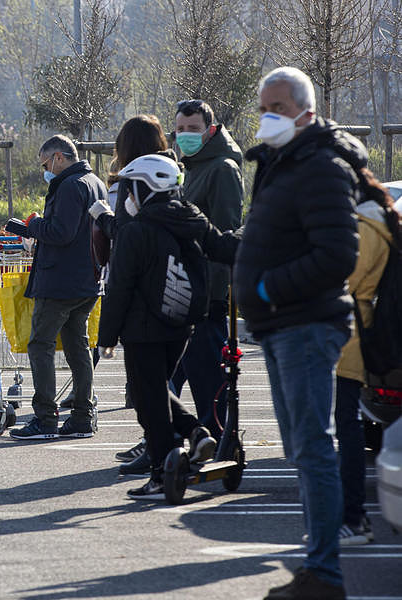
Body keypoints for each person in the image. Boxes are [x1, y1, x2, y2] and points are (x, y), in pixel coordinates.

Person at [235, 66, 361, 600]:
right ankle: (315, 569)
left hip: (305, 325)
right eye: (264, 107)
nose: (268, 117)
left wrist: (267, 289)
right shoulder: (282, 164)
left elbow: (338, 254)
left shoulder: (320, 167)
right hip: (280, 325)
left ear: (306, 113)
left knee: (312, 447)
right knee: (301, 449)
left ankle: (324, 573)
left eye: (279, 108)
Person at [96, 153, 241, 500]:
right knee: (154, 391)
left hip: (142, 330)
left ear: (145, 189)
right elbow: (223, 247)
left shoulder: (135, 231)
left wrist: (106, 337)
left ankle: (163, 471)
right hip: (181, 327)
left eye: (132, 188)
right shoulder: (192, 219)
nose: (128, 196)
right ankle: (196, 433)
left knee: (149, 404)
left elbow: (119, 288)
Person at [4, 135, 102, 439]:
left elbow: (61, 232)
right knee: (78, 346)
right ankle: (82, 417)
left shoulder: (70, 185)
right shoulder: (94, 182)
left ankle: (45, 418)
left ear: (59, 157)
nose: (45, 171)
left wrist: (31, 226)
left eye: (45, 164)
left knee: (40, 344)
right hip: (87, 280)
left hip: (60, 282)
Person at [169, 99, 244, 441]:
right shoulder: (191, 167)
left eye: (193, 129)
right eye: (180, 129)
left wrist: (212, 295)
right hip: (183, 289)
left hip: (204, 296)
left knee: (208, 384)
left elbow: (224, 235)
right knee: (162, 380)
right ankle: (161, 440)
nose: (185, 135)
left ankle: (218, 443)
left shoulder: (222, 169)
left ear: (211, 130)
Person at [333, 169, 400, 545]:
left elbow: (348, 281)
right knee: (348, 426)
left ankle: (354, 517)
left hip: (352, 334)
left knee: (347, 429)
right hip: (357, 331)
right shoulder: (377, 220)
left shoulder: (366, 226)